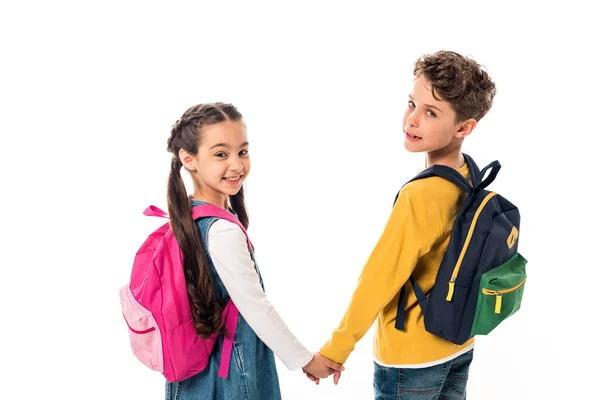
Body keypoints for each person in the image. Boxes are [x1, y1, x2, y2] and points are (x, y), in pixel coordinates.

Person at [319, 51, 497, 399]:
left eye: (431, 112)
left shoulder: (421, 195)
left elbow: (379, 278)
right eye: (412, 103)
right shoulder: (470, 174)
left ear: (464, 127)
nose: (411, 119)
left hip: (411, 359)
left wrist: (337, 348)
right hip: (457, 344)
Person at [164, 102, 343, 399]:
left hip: (195, 375)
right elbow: (257, 308)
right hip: (232, 374)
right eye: (221, 154)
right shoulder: (222, 231)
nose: (236, 164)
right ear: (189, 159)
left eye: (242, 152)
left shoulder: (186, 217)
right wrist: (306, 360)